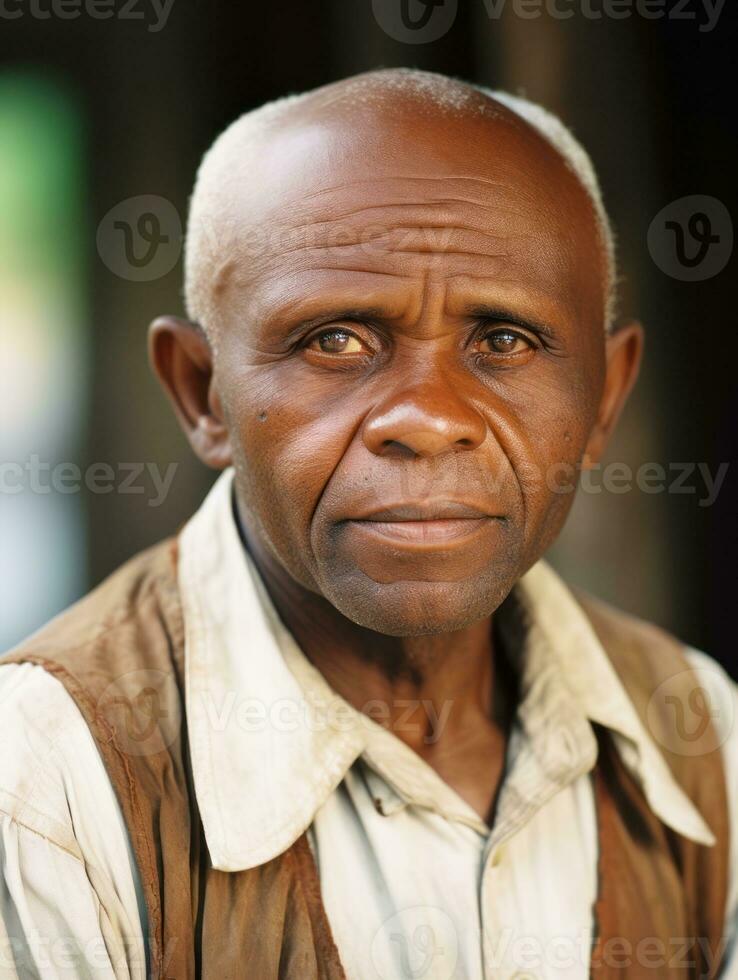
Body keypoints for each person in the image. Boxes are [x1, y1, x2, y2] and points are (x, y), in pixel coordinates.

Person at [0, 68, 736, 980]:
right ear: (203, 394)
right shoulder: (42, 782)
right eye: (336, 339)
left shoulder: (704, 733)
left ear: (603, 400)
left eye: (503, 339)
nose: (427, 416)